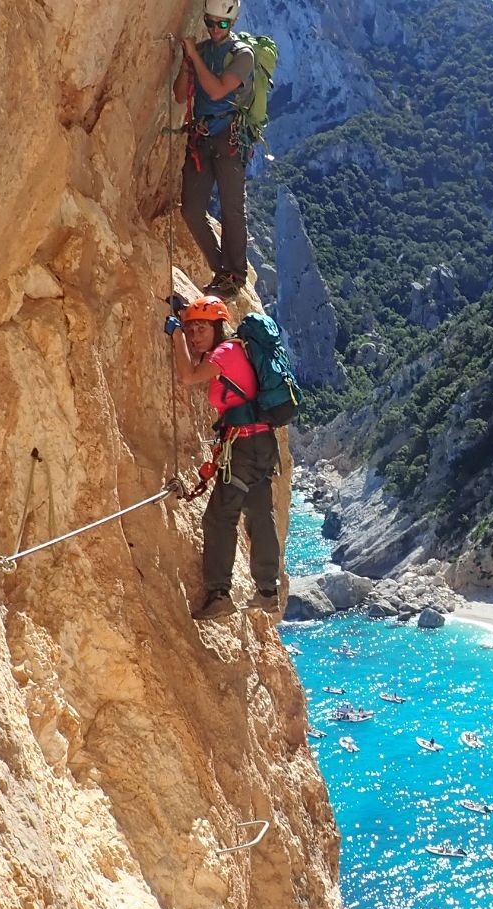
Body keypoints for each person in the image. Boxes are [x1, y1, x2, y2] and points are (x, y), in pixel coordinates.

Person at [167, 295, 280, 619]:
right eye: (191, 331)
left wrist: (175, 334)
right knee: (259, 513)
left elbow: (188, 376)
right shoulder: (235, 350)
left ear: (218, 328)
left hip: (243, 447)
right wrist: (185, 313)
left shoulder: (225, 353)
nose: (194, 336)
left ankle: (219, 594)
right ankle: (267, 590)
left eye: (201, 329)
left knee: (218, 518)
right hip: (261, 442)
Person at [173, 0, 255, 299]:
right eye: (210, 22)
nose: (214, 28)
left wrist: (194, 55)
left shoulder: (242, 55)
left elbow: (219, 89)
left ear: (232, 24)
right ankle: (222, 270)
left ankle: (235, 275)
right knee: (192, 210)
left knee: (233, 210)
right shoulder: (205, 52)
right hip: (202, 137)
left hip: (228, 138)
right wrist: (187, 65)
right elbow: (181, 96)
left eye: (221, 24)